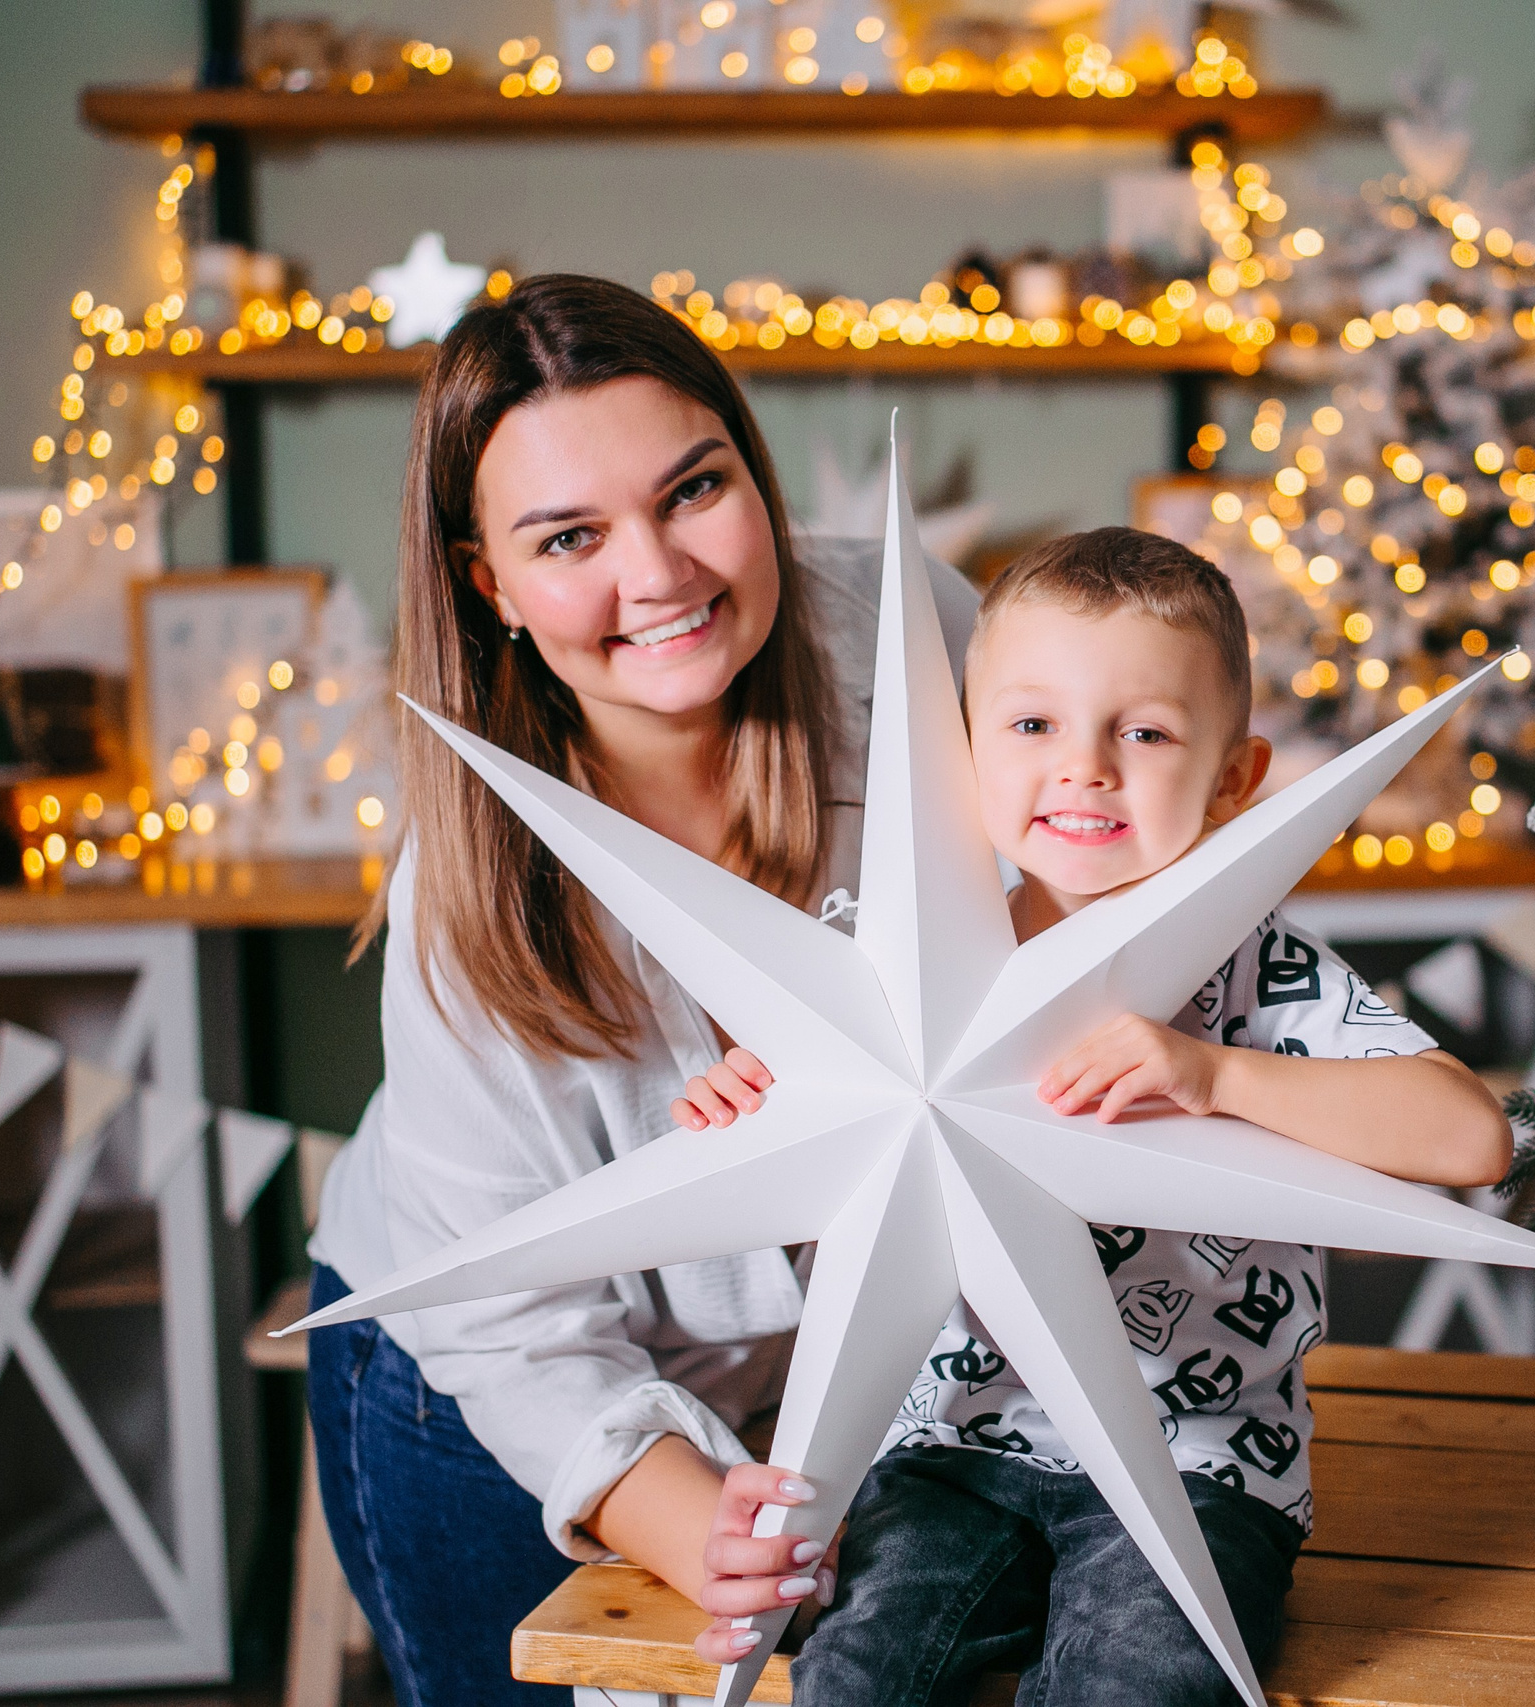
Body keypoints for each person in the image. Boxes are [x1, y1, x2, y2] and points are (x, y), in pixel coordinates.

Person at [674, 527, 1513, 1704]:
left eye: (1146, 732)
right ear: (961, 751)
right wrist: (739, 1100)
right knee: (853, 1678)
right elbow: (788, 1125)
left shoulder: (1256, 971)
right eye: (1030, 726)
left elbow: (1470, 1135)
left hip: (1197, 1464)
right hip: (941, 1451)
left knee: (1137, 1687)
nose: (1084, 769)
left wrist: (1216, 1076)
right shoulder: (893, 953)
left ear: (1232, 778)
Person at [303, 272, 979, 1704]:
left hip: (839, 1368)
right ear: (488, 581)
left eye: (693, 489)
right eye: (570, 536)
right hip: (488, 1383)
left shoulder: (915, 634)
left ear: (752, 465)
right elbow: (515, 1325)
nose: (661, 573)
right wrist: (700, 1523)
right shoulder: (473, 896)